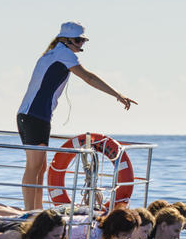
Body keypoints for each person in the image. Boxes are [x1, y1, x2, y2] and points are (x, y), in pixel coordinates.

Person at [16, 21, 137, 210]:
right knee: (34, 166)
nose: (81, 44)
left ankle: (36, 210)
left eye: (83, 41)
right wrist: (117, 95)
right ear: (66, 40)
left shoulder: (55, 52)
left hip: (36, 117)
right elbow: (88, 77)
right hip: (33, 116)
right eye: (78, 40)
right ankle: (29, 212)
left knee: (40, 167)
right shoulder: (63, 53)